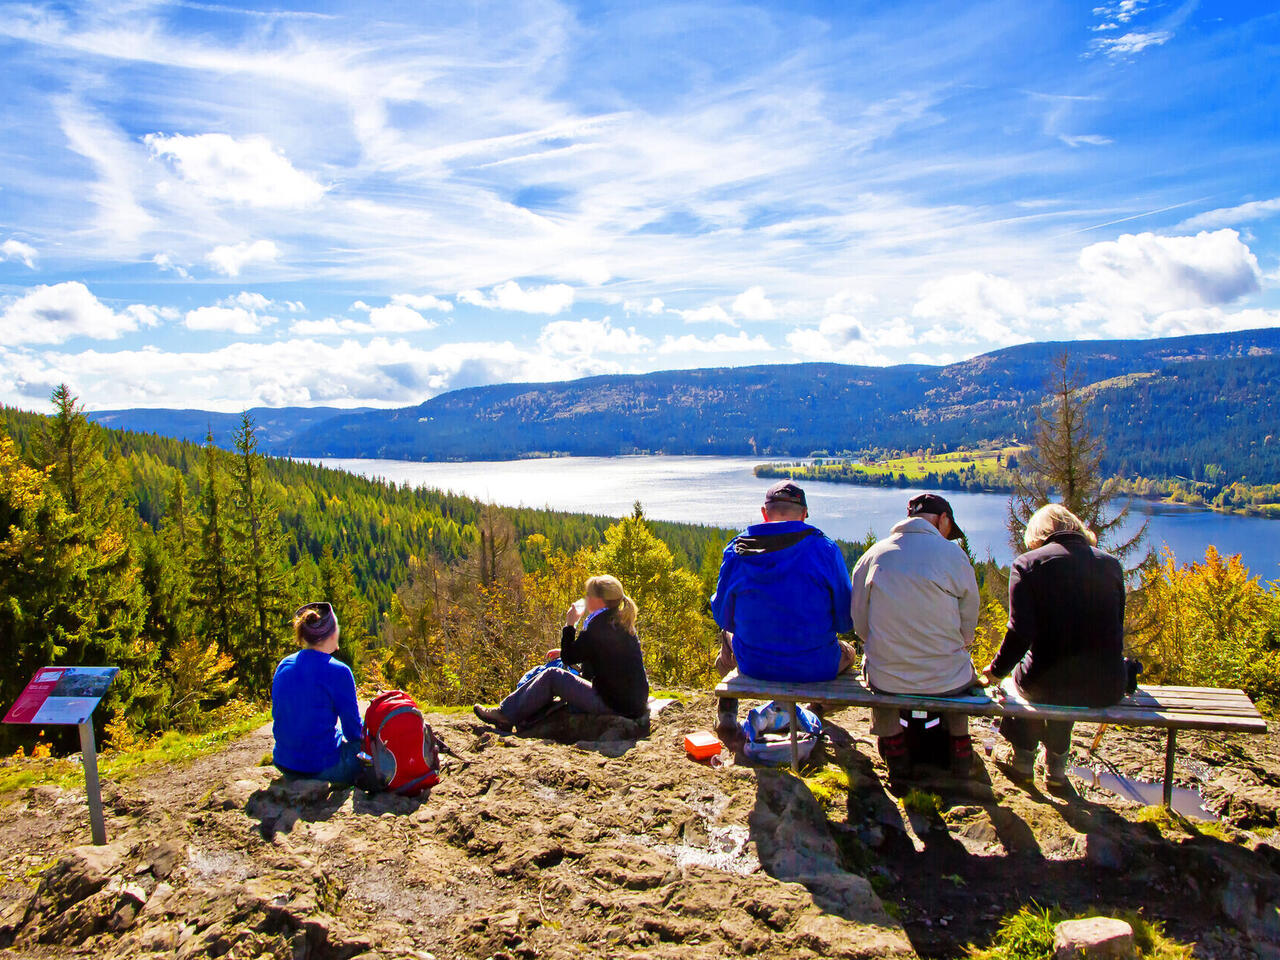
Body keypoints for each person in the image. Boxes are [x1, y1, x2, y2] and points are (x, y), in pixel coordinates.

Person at [981, 503, 1126, 788]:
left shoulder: (1027, 564)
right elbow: (1116, 629)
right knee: (1068, 672)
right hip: (1106, 686)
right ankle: (1056, 768)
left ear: (1038, 535)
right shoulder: (1111, 565)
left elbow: (1019, 634)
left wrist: (996, 671)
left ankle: (1022, 758)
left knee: (1030, 677)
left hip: (1047, 685)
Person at [711, 480, 856, 746]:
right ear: (804, 514)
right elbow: (845, 620)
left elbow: (722, 616)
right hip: (817, 665)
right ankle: (815, 709)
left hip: (754, 663)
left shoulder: (737, 551)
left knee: (727, 633)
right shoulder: (825, 549)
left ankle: (727, 714)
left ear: (765, 514)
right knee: (850, 653)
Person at [851, 493, 979, 779]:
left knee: (878, 673)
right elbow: (968, 625)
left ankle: (895, 748)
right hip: (946, 677)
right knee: (961, 672)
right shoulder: (954, 556)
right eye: (949, 528)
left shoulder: (874, 555)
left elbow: (859, 623)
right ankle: (960, 745)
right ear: (942, 520)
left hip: (889, 677)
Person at [473, 574, 649, 731]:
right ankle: (514, 709)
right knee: (559, 666)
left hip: (615, 705)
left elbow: (570, 656)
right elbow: (600, 656)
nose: (586, 598)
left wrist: (570, 624)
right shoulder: (619, 620)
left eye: (589, 595)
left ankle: (505, 714)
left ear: (599, 600)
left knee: (552, 675)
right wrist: (566, 651)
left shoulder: (598, 626)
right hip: (632, 701)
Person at [271, 601, 364, 784]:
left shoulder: (284, 664)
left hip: (284, 763)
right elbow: (353, 732)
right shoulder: (339, 671)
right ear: (331, 634)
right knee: (363, 752)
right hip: (321, 768)